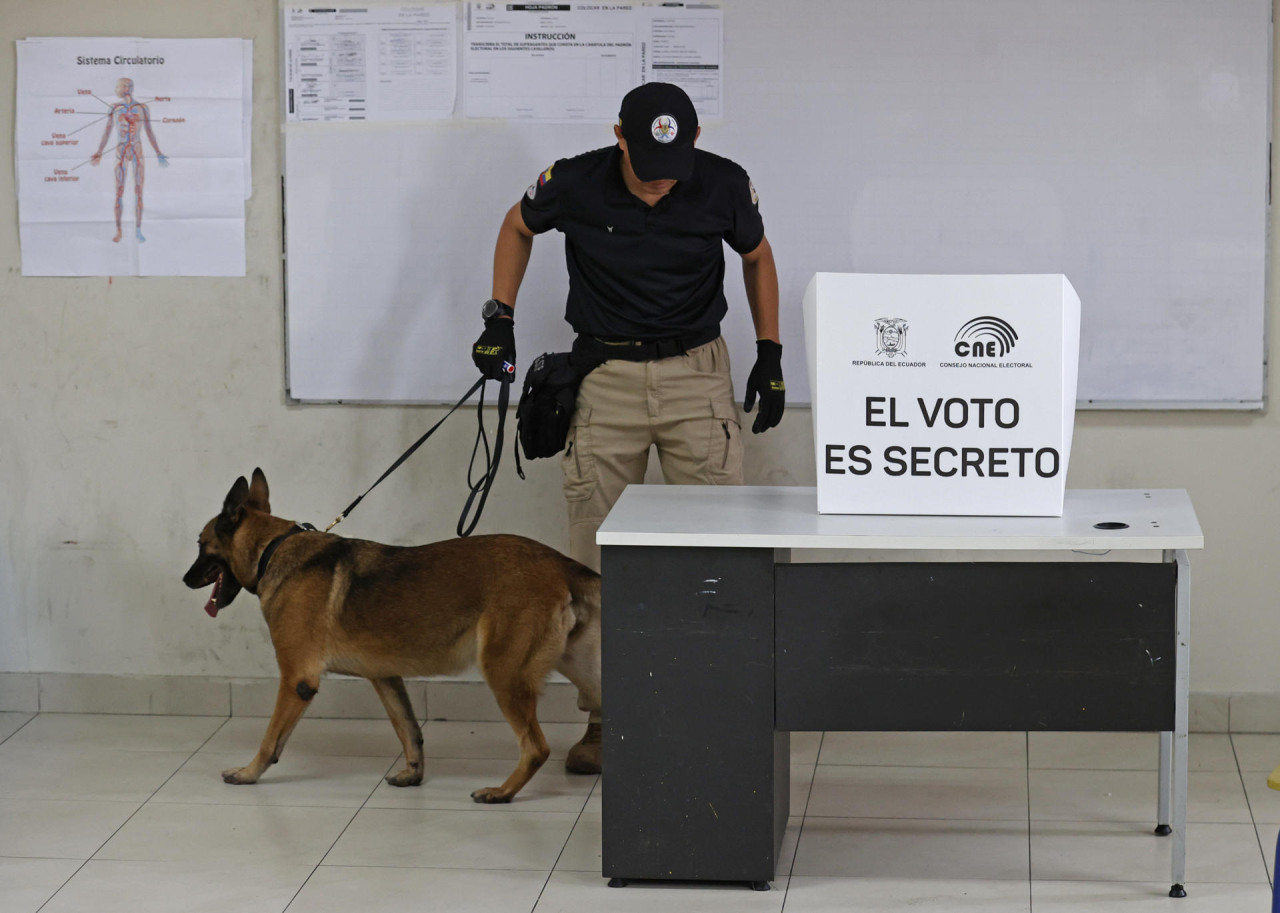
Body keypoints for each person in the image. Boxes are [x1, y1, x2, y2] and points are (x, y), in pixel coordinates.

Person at [471, 82, 784, 775]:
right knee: (594, 567)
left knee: (716, 555)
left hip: (697, 375)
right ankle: (607, 720)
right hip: (606, 379)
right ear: (619, 138)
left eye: (669, 171)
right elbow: (516, 226)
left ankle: (715, 710)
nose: (654, 186)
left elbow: (756, 257)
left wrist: (770, 351)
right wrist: (500, 315)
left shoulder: (723, 184)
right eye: (643, 168)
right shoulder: (575, 181)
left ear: (694, 145)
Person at [90, 77, 169, 243]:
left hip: (136, 148)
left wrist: (158, 152)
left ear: (126, 88)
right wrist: (99, 151)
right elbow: (107, 131)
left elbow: (149, 131)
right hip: (121, 150)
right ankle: (119, 230)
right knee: (119, 191)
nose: (117, 89)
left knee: (138, 191)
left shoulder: (142, 108)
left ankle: (138, 229)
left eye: (119, 86)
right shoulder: (115, 108)